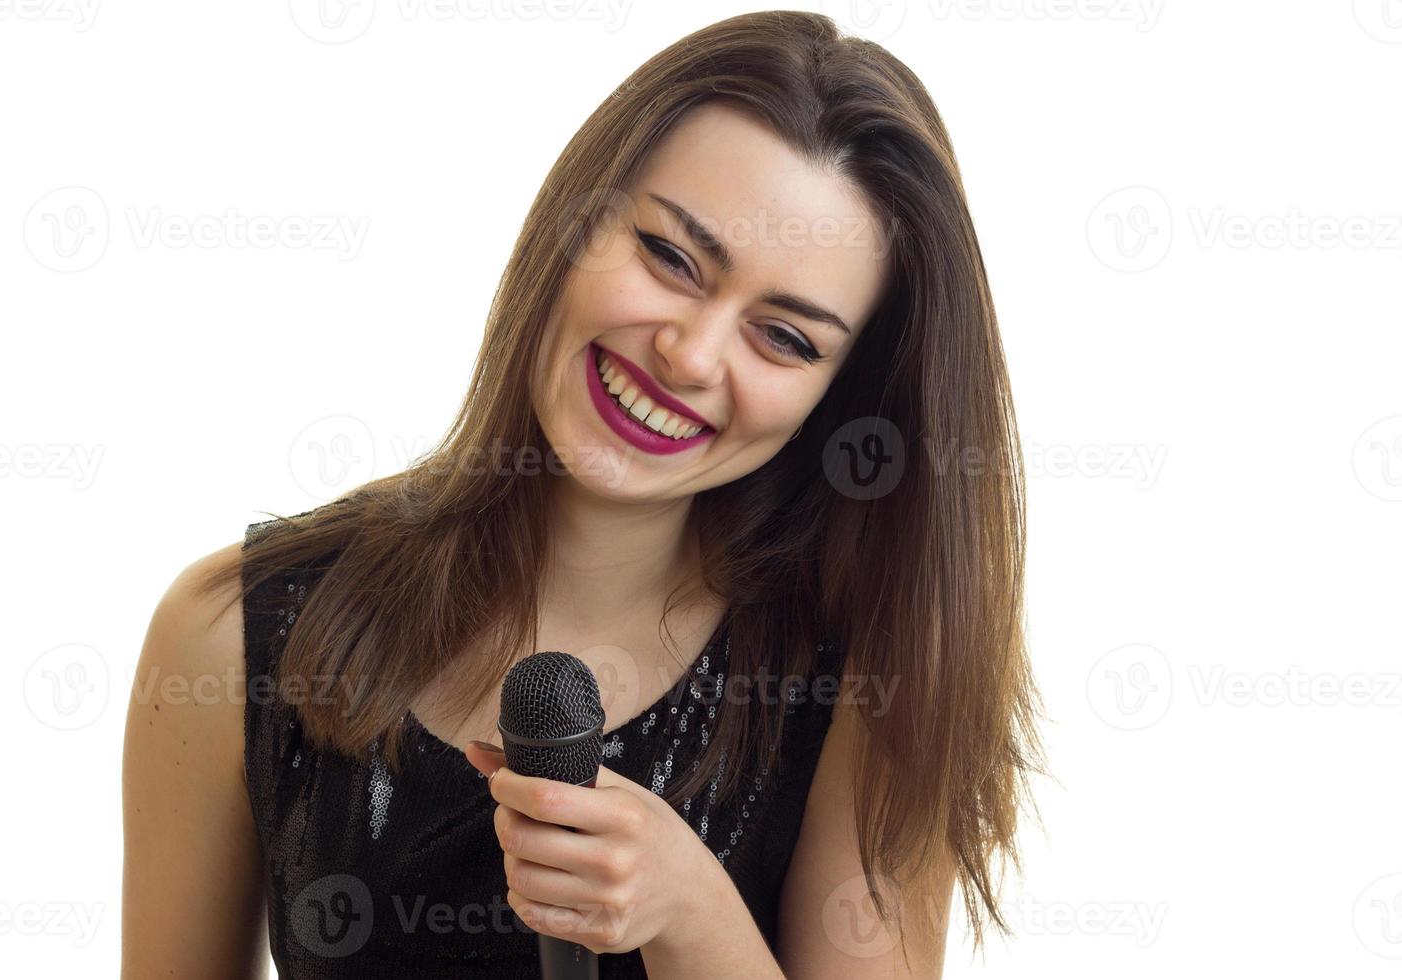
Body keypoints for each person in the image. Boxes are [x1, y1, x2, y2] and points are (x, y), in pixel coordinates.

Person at [121, 10, 1046, 978]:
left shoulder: (870, 687)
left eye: (785, 337)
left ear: (838, 394)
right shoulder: (231, 634)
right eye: (671, 257)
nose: (689, 355)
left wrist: (690, 909)